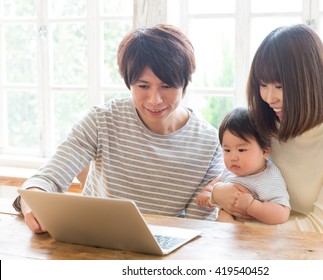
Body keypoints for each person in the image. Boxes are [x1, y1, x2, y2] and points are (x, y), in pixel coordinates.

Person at [13, 24, 224, 233]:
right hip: (95, 240)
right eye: (143, 86)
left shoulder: (209, 144)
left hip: (164, 253)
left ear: (185, 83)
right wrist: (32, 201)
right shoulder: (101, 120)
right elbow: (48, 178)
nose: (155, 99)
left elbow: (199, 228)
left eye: (167, 86)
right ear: (128, 83)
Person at [211, 24, 323, 235]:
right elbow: (221, 181)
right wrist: (217, 192)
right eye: (263, 84)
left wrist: (240, 229)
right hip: (246, 251)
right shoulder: (260, 122)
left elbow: (322, 228)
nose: (269, 98)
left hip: (309, 256)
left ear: (311, 83)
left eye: (280, 86)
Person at [195, 107, 290, 224]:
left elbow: (282, 214)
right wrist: (208, 192)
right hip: (224, 230)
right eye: (227, 150)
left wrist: (252, 205)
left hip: (252, 234)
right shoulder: (231, 171)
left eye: (241, 150)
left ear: (264, 151)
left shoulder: (268, 178)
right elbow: (217, 182)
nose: (233, 157)